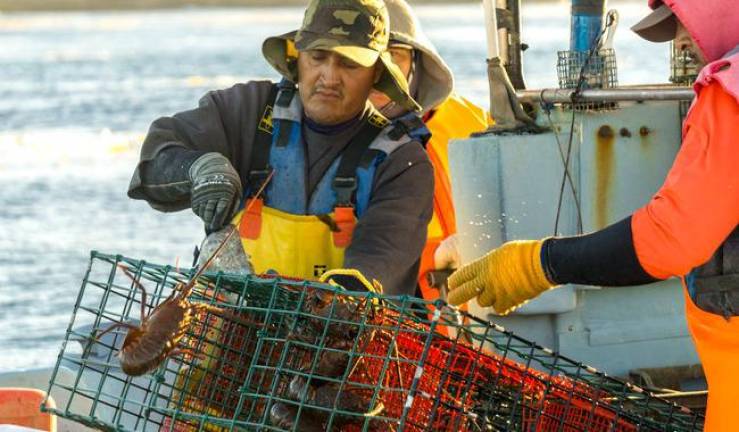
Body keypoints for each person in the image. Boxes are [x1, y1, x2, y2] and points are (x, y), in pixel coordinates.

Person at [447, 1, 739, 429]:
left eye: (683, 23)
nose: (680, 42)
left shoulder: (728, 92)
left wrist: (542, 263)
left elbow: (674, 239)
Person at [127, 0, 435, 296]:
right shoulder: (245, 112)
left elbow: (378, 259)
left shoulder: (402, 162)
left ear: (376, 74)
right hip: (227, 326)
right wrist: (199, 169)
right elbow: (154, 162)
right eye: (317, 57)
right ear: (296, 56)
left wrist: (328, 309)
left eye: (349, 64)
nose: (329, 77)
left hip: (338, 337)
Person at [368, 0, 494, 301]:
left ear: (416, 65)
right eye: (368, 58)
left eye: (394, 55)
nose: (380, 71)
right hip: (391, 323)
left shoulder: (473, 120)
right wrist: (433, 258)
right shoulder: (319, 140)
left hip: (478, 316)